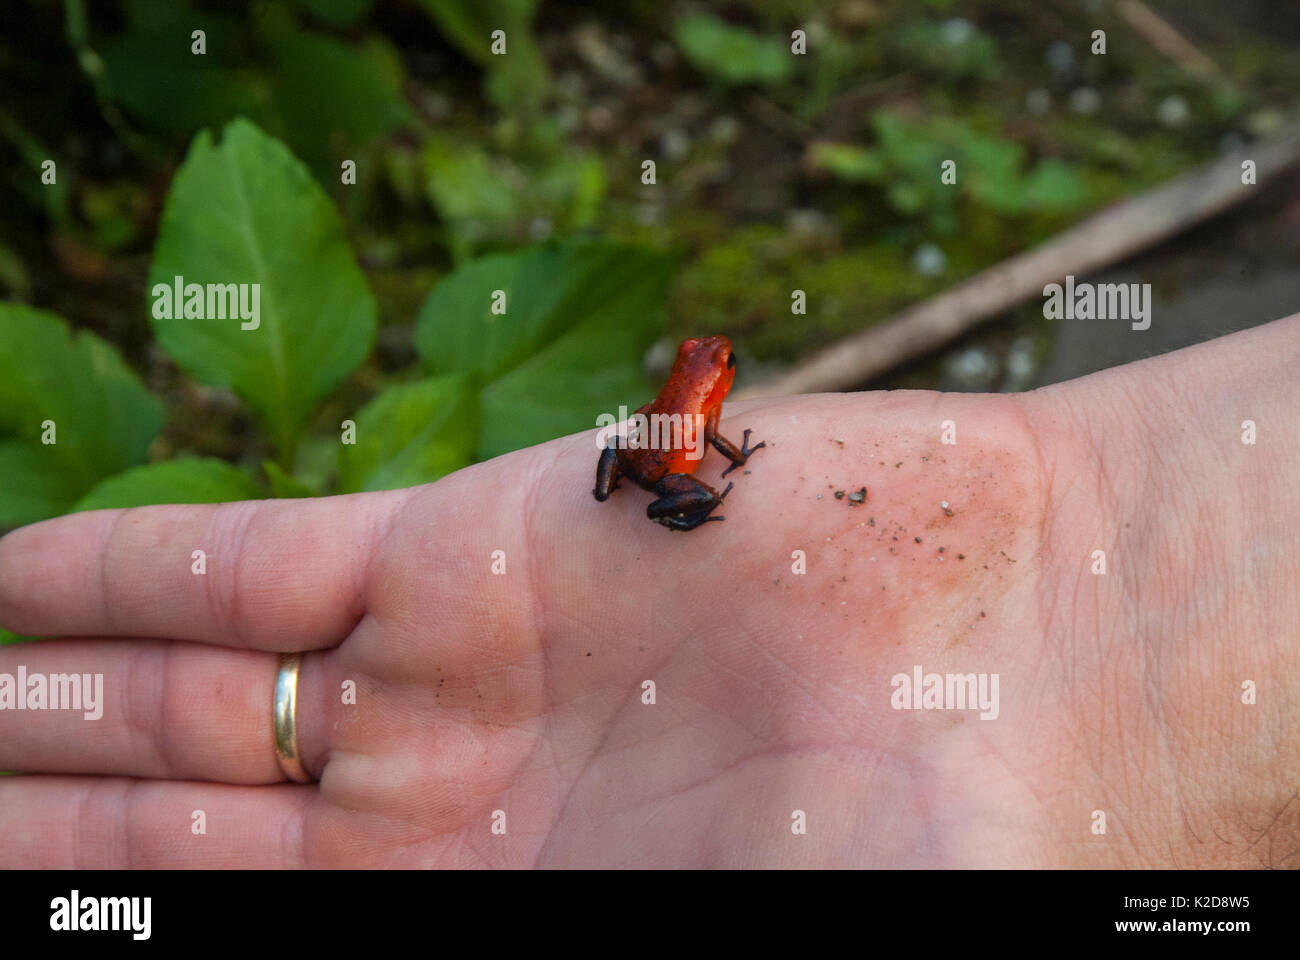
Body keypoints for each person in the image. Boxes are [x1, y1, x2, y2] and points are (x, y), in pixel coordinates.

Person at [1, 314, 1296, 868]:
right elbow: (710, 448)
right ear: (708, 377)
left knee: (654, 462)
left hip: (642, 461)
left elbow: (682, 435)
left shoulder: (684, 408)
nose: (714, 369)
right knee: (683, 474)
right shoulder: (709, 419)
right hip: (661, 468)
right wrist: (715, 492)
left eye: (713, 363)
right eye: (711, 362)